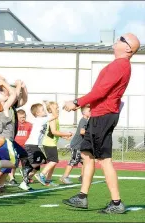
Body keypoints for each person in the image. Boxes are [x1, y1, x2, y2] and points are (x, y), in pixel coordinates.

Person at [62, 33, 140, 214]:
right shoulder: (119, 65)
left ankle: (116, 202)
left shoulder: (119, 65)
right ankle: (82, 197)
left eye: (122, 39)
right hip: (100, 115)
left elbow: (100, 91)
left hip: (103, 116)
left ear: (128, 48)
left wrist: (76, 103)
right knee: (87, 154)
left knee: (104, 160)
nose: (118, 40)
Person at [23, 102, 59, 189]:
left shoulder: (41, 119)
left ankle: (25, 181)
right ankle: (26, 169)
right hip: (31, 145)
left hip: (34, 145)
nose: (45, 111)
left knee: (38, 165)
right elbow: (55, 115)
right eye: (42, 110)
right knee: (41, 160)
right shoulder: (41, 119)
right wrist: (50, 106)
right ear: (38, 113)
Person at [37, 101, 72, 186]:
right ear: (50, 110)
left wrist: (63, 136)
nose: (58, 110)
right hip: (49, 143)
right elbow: (54, 131)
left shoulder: (55, 118)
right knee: (54, 161)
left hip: (51, 143)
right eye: (56, 108)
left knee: (53, 162)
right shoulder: (52, 118)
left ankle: (48, 180)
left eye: (57, 108)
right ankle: (41, 175)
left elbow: (53, 133)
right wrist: (66, 134)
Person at [60, 106, 90, 184]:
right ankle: (64, 177)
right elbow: (82, 132)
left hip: (81, 146)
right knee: (74, 161)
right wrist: (91, 133)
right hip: (76, 145)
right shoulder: (83, 121)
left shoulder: (86, 121)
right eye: (89, 111)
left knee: (85, 161)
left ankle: (83, 177)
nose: (91, 112)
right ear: (84, 112)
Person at [10, 109, 32, 185]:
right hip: (15, 146)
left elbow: (30, 135)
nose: (23, 119)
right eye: (21, 117)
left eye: (24, 117)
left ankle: (25, 177)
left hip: (24, 147)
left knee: (25, 163)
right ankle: (12, 178)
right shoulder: (14, 124)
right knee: (14, 163)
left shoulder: (29, 125)